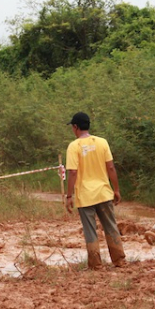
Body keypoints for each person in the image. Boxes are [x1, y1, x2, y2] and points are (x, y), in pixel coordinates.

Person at [65, 112, 126, 269]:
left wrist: (69, 195)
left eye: (72, 126)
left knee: (90, 230)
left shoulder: (74, 147)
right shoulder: (102, 142)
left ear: (76, 127)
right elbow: (111, 167)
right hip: (104, 193)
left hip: (85, 196)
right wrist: (116, 189)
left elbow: (72, 172)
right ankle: (119, 260)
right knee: (111, 226)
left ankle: (96, 265)